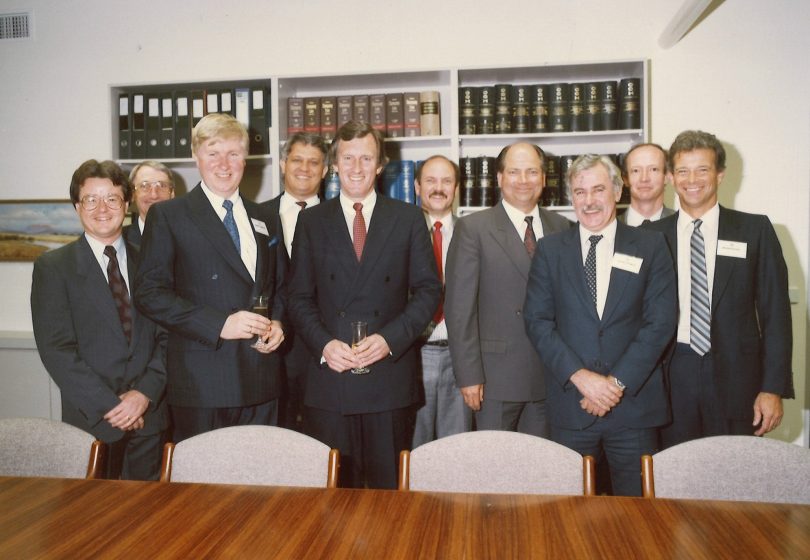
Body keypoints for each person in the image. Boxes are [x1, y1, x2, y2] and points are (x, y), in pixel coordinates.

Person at [286, 120, 441, 489]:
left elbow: (428, 291)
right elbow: (298, 298)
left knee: (388, 496)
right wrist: (324, 344)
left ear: (381, 164)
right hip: (330, 379)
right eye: (348, 158)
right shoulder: (310, 221)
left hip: (388, 379)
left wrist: (389, 340)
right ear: (334, 164)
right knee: (332, 501)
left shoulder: (406, 218)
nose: (357, 168)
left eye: (366, 158)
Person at [523, 154, 677, 496]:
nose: (589, 201)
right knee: (567, 517)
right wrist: (582, 378)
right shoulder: (550, 251)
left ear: (617, 191)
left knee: (637, 518)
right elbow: (537, 322)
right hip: (571, 408)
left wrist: (614, 384)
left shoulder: (651, 246)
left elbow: (660, 323)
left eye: (597, 189)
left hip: (634, 411)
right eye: (579, 192)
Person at [134, 113, 284, 443]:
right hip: (203, 382)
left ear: (246, 159)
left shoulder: (265, 217)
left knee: (261, 487)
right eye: (213, 152)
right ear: (196, 157)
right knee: (205, 492)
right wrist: (218, 324)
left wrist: (280, 324)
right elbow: (148, 292)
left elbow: (281, 287)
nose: (224, 163)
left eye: (233, 153)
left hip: (262, 378)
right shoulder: (169, 215)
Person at [645, 130, 793, 447]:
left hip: (738, 380)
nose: (692, 179)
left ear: (720, 175)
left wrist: (773, 388)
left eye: (703, 169)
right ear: (670, 177)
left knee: (732, 478)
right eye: (682, 171)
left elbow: (776, 315)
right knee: (675, 477)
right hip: (672, 375)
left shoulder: (755, 230)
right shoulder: (650, 237)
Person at [31, 159, 168, 479]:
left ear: (127, 203)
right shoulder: (54, 268)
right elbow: (57, 350)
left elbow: (167, 337)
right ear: (77, 206)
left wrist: (143, 395)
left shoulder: (151, 260)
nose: (102, 208)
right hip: (92, 421)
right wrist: (112, 407)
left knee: (149, 519)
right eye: (91, 199)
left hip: (150, 418)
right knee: (93, 521)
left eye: (112, 198)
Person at [445, 142, 570, 437]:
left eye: (531, 172)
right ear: (499, 178)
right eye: (514, 172)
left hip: (551, 376)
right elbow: (459, 310)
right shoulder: (473, 228)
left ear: (543, 178)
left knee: (543, 474)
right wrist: (468, 376)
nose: (523, 180)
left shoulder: (563, 226)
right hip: (494, 379)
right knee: (496, 472)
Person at [261, 132, 328, 431]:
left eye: (314, 162)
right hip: (271, 348)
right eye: (297, 160)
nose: (305, 168)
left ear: (326, 170)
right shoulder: (257, 216)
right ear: (283, 164)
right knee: (277, 436)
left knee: (322, 437)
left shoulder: (338, 218)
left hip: (322, 347)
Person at [411, 155, 472, 449]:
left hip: (459, 357)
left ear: (457, 188)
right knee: (415, 450)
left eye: (446, 181)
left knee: (455, 452)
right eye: (431, 181)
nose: (439, 188)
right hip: (413, 354)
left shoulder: (474, 233)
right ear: (416, 187)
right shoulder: (400, 232)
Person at [618, 143, 674, 226]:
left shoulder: (681, 226)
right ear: (625, 179)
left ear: (666, 176)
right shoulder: (610, 228)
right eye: (636, 170)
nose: (644, 179)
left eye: (653, 169)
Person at [123, 160, 175, 250]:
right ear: (132, 194)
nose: (154, 195)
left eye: (162, 185)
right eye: (144, 186)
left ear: (172, 193)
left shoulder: (189, 238)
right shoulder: (119, 241)